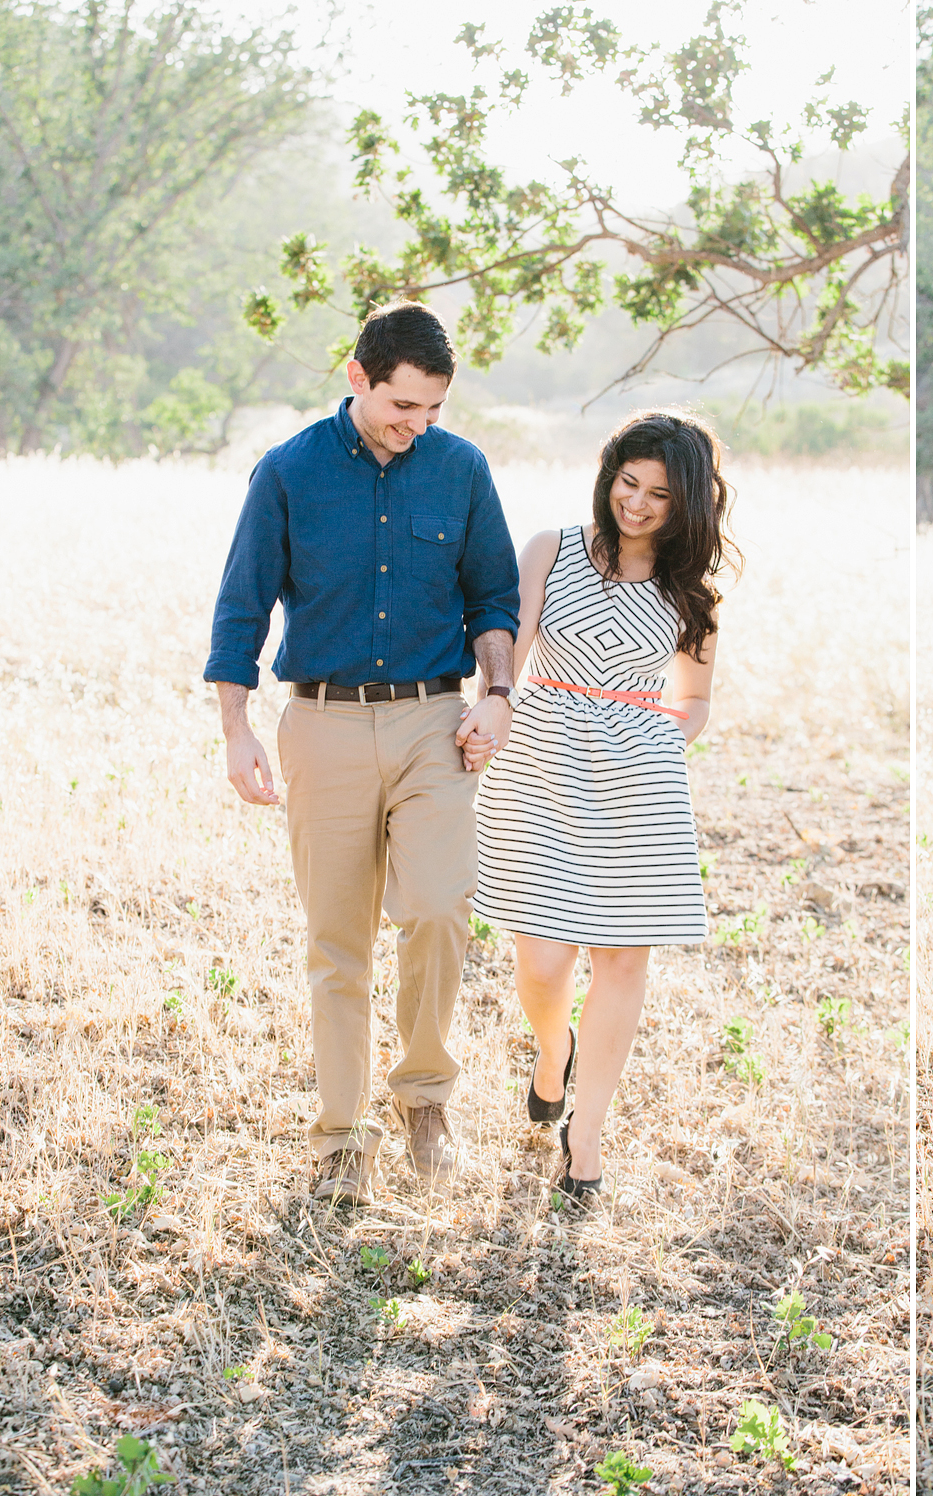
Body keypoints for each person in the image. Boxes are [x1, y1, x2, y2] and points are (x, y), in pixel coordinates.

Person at [205, 300, 520, 1205]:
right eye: (401, 407)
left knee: (437, 906)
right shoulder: (288, 472)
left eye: (433, 410)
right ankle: (341, 1136)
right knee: (336, 943)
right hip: (325, 724)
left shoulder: (461, 470)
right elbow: (241, 609)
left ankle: (425, 1094)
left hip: (434, 724)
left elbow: (493, 600)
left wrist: (497, 698)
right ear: (358, 378)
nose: (416, 427)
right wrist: (237, 729)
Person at [472, 410, 733, 1208]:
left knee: (623, 958)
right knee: (544, 963)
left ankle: (585, 1138)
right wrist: (493, 705)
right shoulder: (551, 549)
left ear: (687, 502)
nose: (639, 503)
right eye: (629, 483)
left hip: (638, 781)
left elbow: (693, 700)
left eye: (660, 493)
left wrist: (659, 739)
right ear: (607, 474)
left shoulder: (693, 593)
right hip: (541, 762)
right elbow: (506, 652)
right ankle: (555, 1052)